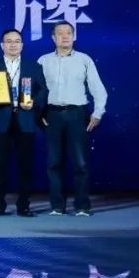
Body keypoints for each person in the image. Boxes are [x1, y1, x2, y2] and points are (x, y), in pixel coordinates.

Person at [37, 21, 107, 217]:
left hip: (77, 114)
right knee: (54, 162)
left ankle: (82, 206)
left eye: (69, 32)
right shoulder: (43, 61)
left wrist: (98, 112)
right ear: (53, 38)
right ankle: (57, 206)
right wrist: (38, 114)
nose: (65, 36)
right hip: (52, 114)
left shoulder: (84, 59)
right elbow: (36, 90)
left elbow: (97, 88)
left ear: (74, 36)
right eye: (60, 33)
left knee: (80, 163)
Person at [0, 29, 47, 217]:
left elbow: (43, 90)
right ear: (2, 45)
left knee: (25, 166)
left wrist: (34, 102)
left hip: (25, 119)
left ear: (22, 45)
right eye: (9, 41)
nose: (13, 45)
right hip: (1, 119)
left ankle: (24, 205)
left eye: (17, 41)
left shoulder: (33, 66)